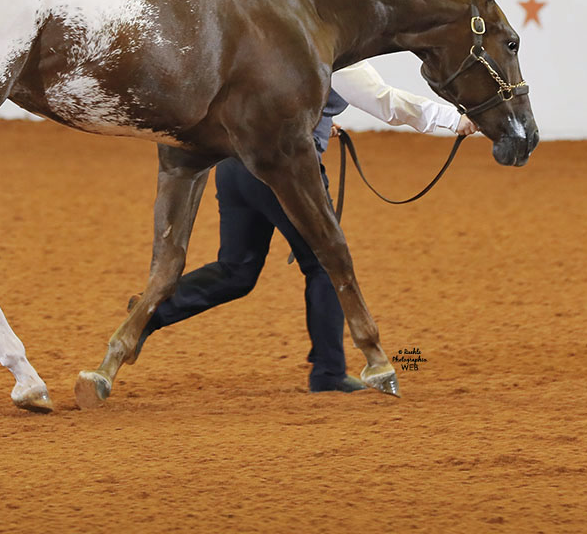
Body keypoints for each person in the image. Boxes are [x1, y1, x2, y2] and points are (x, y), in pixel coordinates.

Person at [135, 60, 478, 392]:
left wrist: (319, 118)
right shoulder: (336, 54)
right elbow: (384, 101)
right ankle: (329, 372)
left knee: (236, 270)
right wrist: (452, 119)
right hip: (283, 171)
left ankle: (149, 313)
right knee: (327, 266)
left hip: (234, 165)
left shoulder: (286, 37)